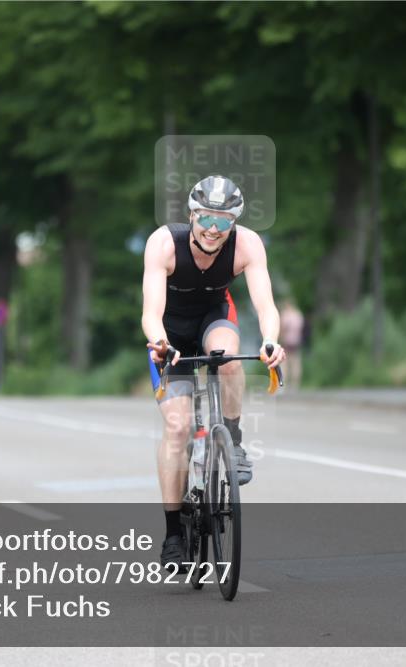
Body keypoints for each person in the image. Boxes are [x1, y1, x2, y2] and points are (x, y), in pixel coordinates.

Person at [141, 175, 286, 567]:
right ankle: (173, 534)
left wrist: (271, 341)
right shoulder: (163, 244)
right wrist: (160, 343)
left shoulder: (247, 246)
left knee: (228, 355)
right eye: (205, 218)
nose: (212, 228)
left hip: (212, 319)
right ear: (191, 214)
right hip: (169, 334)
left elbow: (265, 305)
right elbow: (150, 312)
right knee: (177, 427)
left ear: (233, 224)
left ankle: (233, 442)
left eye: (223, 221)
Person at [279, 300, 305, 389]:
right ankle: (295, 384)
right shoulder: (298, 315)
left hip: (286, 341)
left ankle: (284, 384)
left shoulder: (286, 315)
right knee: (296, 363)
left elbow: (282, 328)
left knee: (284, 364)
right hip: (296, 341)